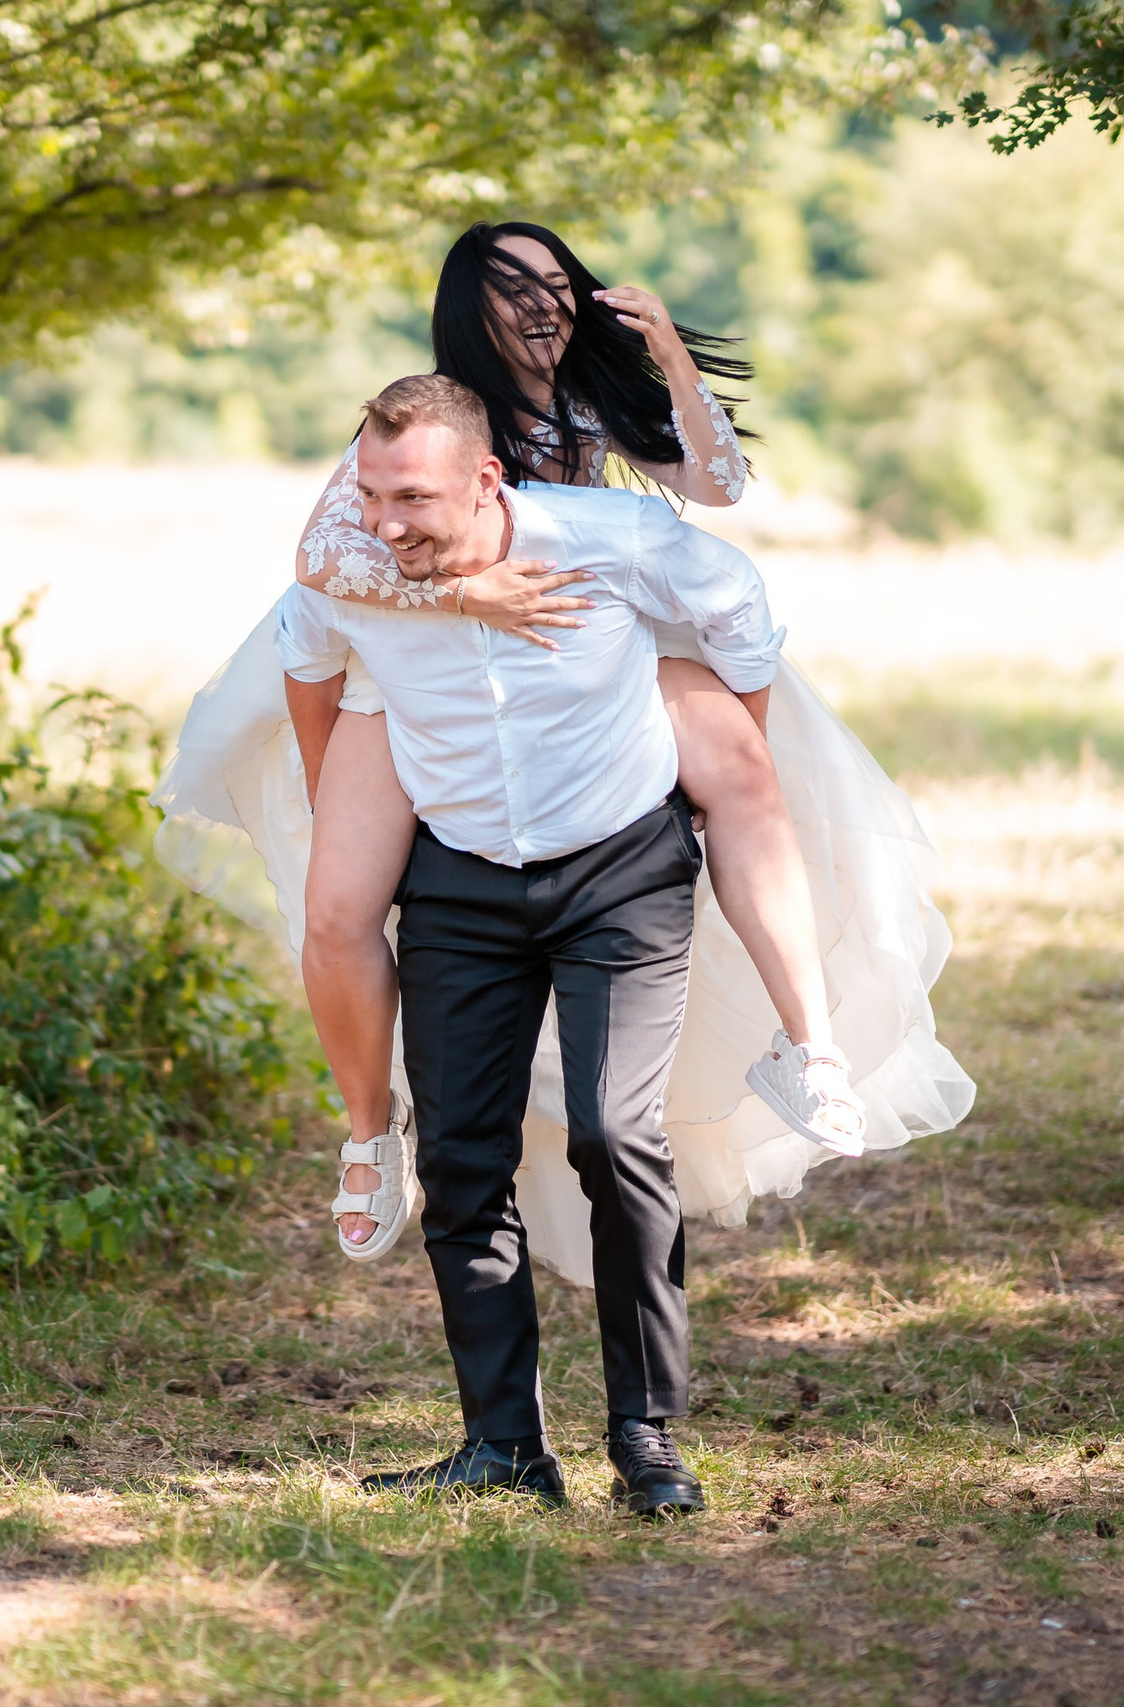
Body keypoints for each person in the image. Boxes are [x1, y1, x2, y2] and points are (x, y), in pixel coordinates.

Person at [151, 231, 974, 1291]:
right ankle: (370, 1131)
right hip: (420, 659)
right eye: (512, 291)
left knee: (744, 771)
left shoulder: (588, 400)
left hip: (579, 646)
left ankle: (805, 1045)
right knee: (336, 905)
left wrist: (671, 356)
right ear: (468, 310)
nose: (542, 305)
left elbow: (717, 486)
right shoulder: (437, 415)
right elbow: (323, 557)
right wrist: (458, 593)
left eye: (555, 283)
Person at [280, 375, 768, 1512]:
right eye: (369, 494)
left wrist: (735, 756)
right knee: (460, 1165)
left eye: (411, 497)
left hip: (620, 874)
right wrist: (330, 796)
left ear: (485, 479)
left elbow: (740, 604)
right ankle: (504, 1448)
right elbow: (304, 659)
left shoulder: (610, 539)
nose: (384, 522)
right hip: (458, 884)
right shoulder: (354, 573)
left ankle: (644, 1437)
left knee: (612, 1135)